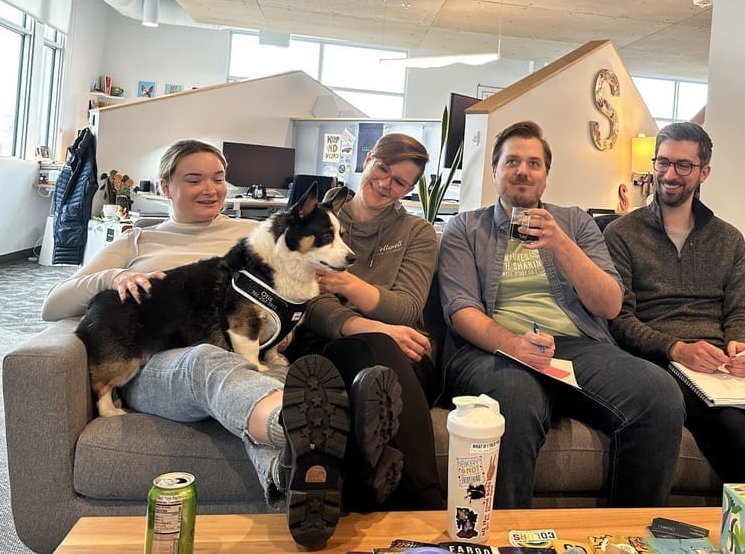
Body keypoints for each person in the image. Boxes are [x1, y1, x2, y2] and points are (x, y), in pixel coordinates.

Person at [42, 139, 400, 548]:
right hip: (160, 364)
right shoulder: (136, 241)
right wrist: (114, 277)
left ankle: (292, 473)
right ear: (165, 186)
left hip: (250, 361)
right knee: (206, 360)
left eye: (218, 178)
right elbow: (54, 304)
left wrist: (319, 323)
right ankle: (311, 431)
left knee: (287, 380)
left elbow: (306, 296)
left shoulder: (259, 235)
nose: (210, 189)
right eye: (194, 179)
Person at [437, 120, 685, 508]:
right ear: (495, 171)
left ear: (546, 175)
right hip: (494, 351)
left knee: (660, 394)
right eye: (512, 161)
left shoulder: (575, 223)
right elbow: (461, 310)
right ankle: (508, 536)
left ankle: (627, 533)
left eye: (533, 163)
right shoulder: (465, 228)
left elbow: (610, 304)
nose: (523, 171)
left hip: (577, 348)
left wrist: (562, 245)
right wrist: (515, 346)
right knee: (514, 398)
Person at [604, 121, 745, 503]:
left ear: (703, 171)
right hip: (663, 362)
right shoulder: (622, 234)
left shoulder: (728, 238)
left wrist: (744, 345)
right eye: (663, 162)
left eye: (683, 165)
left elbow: (743, 309)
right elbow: (619, 319)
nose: (670, 174)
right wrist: (676, 348)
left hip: (723, 362)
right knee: (732, 428)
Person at [284, 132, 444, 510]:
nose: (386, 184)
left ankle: (352, 497)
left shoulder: (418, 232)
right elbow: (311, 304)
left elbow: (407, 308)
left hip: (407, 353)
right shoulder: (316, 220)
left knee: (371, 367)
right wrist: (378, 328)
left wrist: (346, 284)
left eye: (400, 182)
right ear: (368, 158)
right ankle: (423, 503)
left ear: (409, 190)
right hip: (336, 343)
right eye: (383, 169)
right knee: (370, 352)